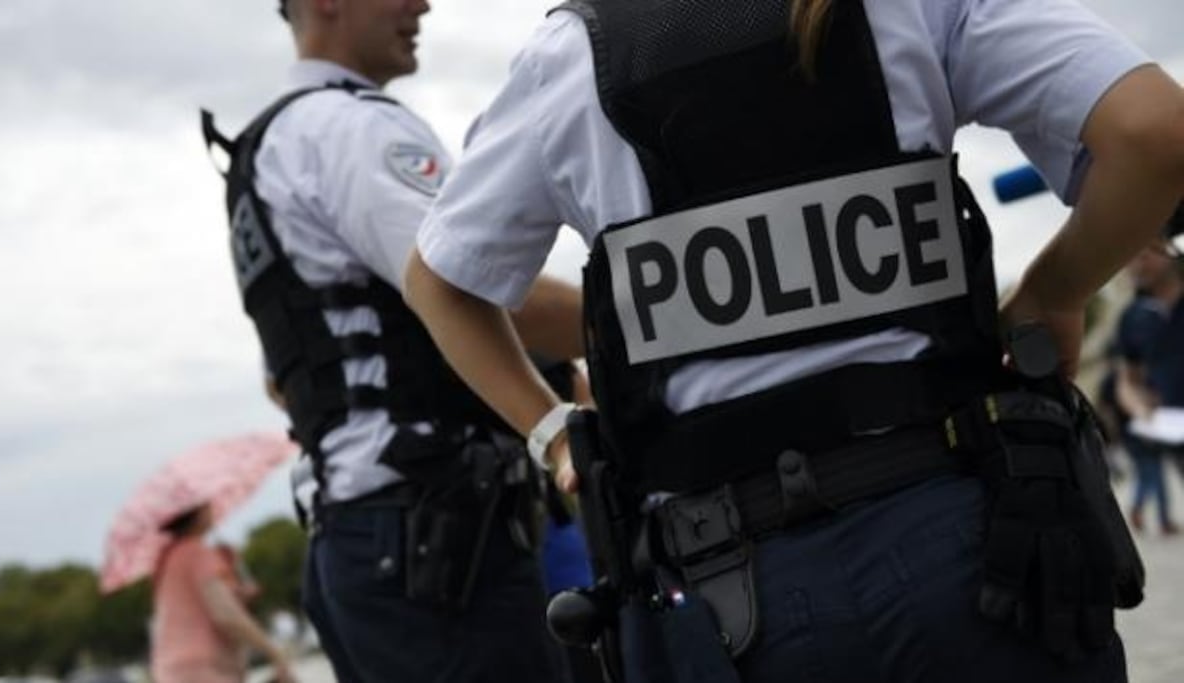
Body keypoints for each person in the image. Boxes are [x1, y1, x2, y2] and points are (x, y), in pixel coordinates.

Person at [403, 0, 1184, 680]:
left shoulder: (567, 58)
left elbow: (439, 282)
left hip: (729, 599)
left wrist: (552, 436)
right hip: (982, 551)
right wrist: (1054, 292)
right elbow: (1155, 131)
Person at [200, 0, 582, 680]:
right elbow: (468, 281)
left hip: (352, 540)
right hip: (438, 540)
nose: (423, 4)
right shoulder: (348, 128)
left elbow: (283, 379)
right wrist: (650, 311)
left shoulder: (262, 152)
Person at [151, 505, 296, 683]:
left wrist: (234, 595)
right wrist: (273, 652)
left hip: (172, 668)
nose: (211, 508)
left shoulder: (169, 559)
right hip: (202, 666)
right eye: (205, 505)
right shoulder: (198, 553)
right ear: (196, 513)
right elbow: (226, 615)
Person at [1115, 206, 1184, 535]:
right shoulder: (1132, 318)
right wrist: (1140, 408)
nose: (1137, 262)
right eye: (1129, 256)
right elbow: (1127, 381)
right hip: (1175, 431)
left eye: (1146, 251)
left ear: (1168, 248)